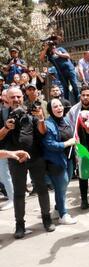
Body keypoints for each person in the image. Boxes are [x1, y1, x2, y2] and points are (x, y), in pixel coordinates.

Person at [0, 87, 55, 238]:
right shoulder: (2, 114)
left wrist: (42, 119)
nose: (16, 100)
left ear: (22, 97)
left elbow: (42, 132)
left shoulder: (30, 111)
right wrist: (6, 128)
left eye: (18, 96)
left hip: (35, 156)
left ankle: (47, 219)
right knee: (18, 193)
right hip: (15, 158)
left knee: (42, 189)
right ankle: (19, 225)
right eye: (13, 97)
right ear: (6, 99)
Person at [43, 98, 77, 224]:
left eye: (60, 106)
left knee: (63, 185)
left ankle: (57, 209)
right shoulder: (48, 124)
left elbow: (72, 134)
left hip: (68, 159)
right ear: (50, 110)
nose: (59, 108)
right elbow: (49, 144)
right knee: (61, 188)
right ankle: (63, 215)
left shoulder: (66, 119)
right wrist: (66, 143)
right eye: (55, 107)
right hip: (56, 161)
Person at [40, 36, 80, 103]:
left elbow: (68, 56)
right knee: (65, 88)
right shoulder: (49, 54)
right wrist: (45, 49)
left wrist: (57, 53)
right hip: (61, 73)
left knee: (75, 85)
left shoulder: (60, 49)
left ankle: (78, 101)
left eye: (53, 45)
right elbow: (41, 58)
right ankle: (67, 103)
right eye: (51, 46)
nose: (53, 46)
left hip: (70, 70)